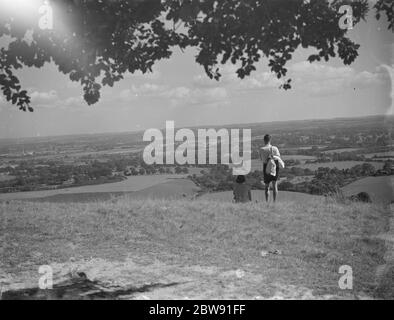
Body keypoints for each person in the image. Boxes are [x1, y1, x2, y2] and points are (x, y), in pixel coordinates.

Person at [259, 134, 285, 203]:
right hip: (275, 167)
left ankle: (267, 202)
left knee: (267, 186)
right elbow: (278, 157)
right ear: (270, 140)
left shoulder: (261, 149)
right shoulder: (275, 148)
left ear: (264, 140)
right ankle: (274, 202)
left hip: (266, 167)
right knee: (274, 185)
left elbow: (262, 159)